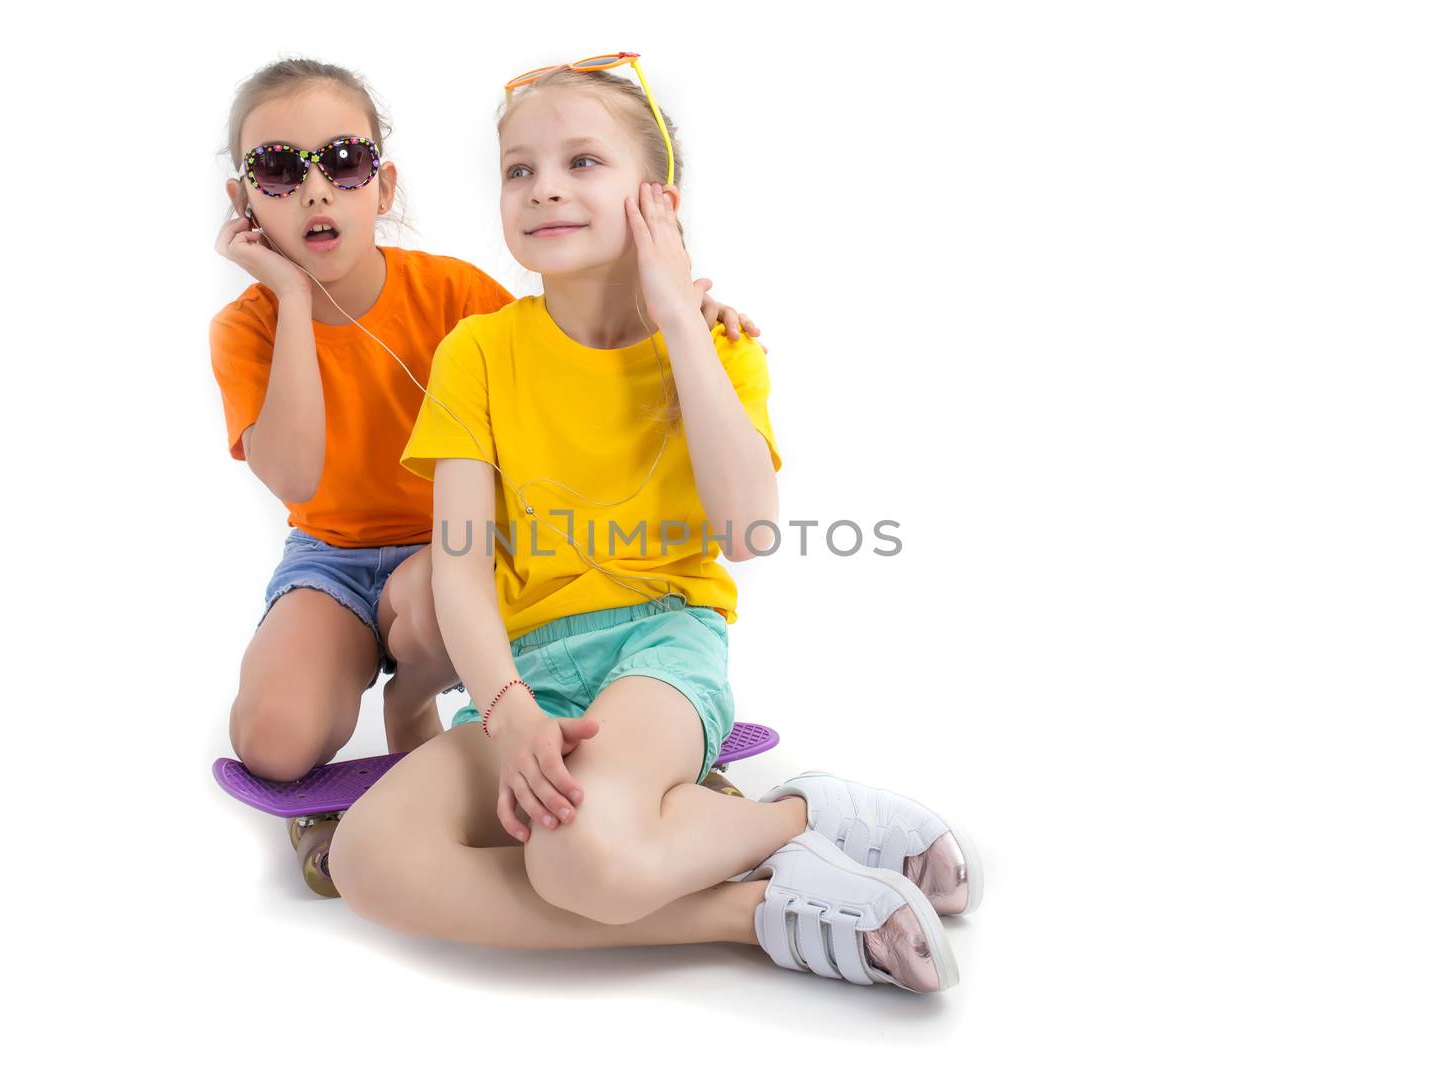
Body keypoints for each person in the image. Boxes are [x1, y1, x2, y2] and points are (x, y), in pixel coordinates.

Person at [329, 55, 982, 994]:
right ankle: (753, 913)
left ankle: (800, 816)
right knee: (369, 860)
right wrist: (509, 716)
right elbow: (460, 568)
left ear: (656, 201)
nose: (543, 185)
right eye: (518, 169)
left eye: (582, 162)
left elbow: (749, 533)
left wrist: (678, 315)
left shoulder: (717, 346)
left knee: (573, 855)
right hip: (521, 669)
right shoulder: (477, 351)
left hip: (656, 646)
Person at [210, 58, 757, 784]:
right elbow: (295, 475)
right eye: (278, 168)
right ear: (243, 198)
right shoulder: (245, 328)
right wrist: (292, 299)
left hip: (457, 546)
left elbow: (576, 341)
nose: (315, 189)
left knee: (441, 589)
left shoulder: (458, 297)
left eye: (344, 161)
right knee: (274, 742)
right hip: (333, 558)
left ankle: (413, 700)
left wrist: (686, 313)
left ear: (384, 185)